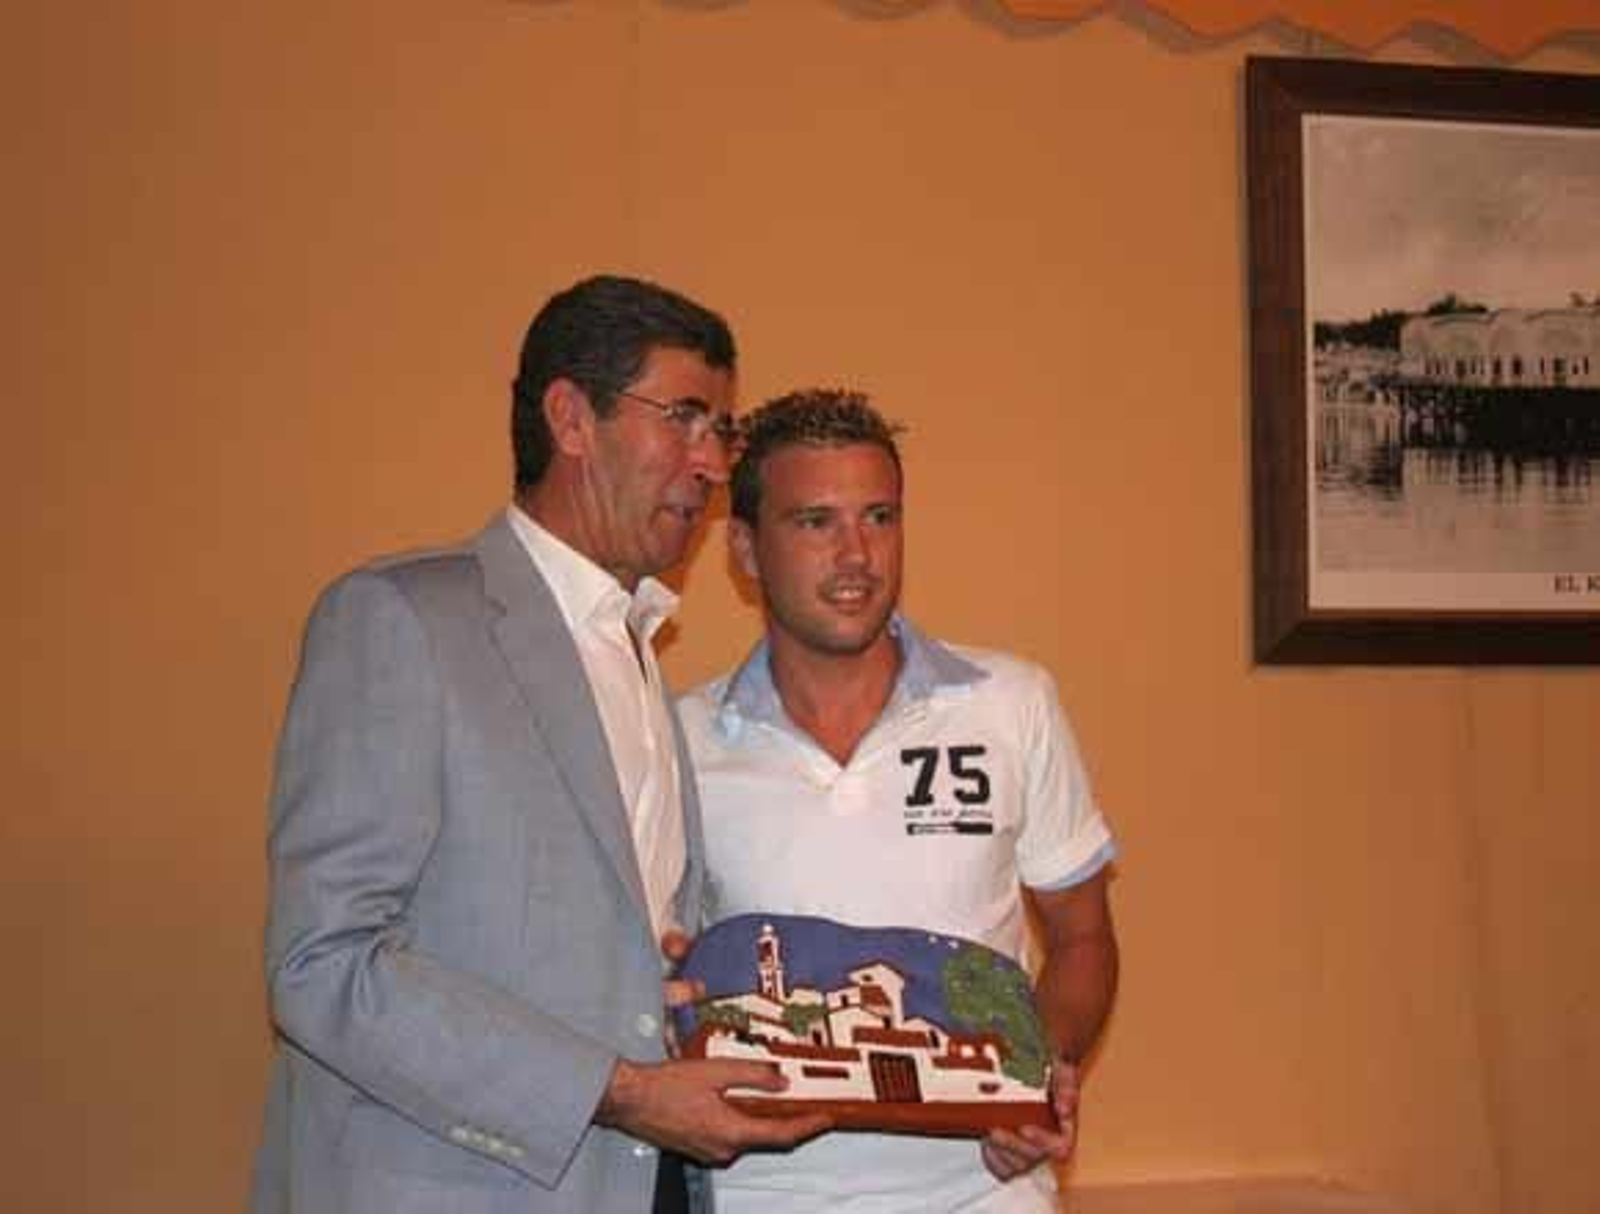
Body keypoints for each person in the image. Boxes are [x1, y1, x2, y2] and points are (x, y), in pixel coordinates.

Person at [253, 275, 828, 1214]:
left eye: (720, 431)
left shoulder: (638, 652)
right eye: (685, 418)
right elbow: (322, 967)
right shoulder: (403, 621)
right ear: (570, 418)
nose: (712, 464)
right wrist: (625, 1091)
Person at [677, 389, 1120, 1212]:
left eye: (879, 517)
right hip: (761, 1196)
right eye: (816, 522)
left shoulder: (1011, 704)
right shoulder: (677, 742)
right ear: (744, 549)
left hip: (984, 1195)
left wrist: (1037, 1073)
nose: (856, 555)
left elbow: (1083, 936)